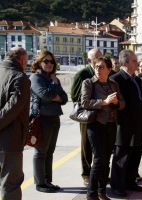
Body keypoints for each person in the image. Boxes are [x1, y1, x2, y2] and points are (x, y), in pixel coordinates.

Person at [81, 57, 125, 200]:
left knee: (106, 160)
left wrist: (117, 102)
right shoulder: (88, 83)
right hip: (96, 125)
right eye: (96, 66)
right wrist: (104, 102)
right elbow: (85, 102)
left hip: (111, 125)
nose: (98, 70)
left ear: (109, 69)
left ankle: (102, 191)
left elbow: (123, 104)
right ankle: (91, 193)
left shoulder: (113, 84)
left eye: (101, 67)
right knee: (99, 159)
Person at [109, 50, 142, 197]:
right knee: (121, 158)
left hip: (138, 124)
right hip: (123, 125)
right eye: (134, 61)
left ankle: (130, 181)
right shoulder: (116, 79)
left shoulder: (137, 79)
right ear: (125, 63)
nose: (137, 63)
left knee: (135, 155)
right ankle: (117, 186)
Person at [30, 50, 68, 193]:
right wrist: (54, 84)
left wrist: (56, 96)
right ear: (39, 63)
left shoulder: (52, 78)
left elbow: (64, 98)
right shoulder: (36, 77)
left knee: (50, 151)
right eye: (46, 61)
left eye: (52, 61)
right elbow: (45, 95)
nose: (50, 64)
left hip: (54, 118)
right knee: (40, 152)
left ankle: (47, 180)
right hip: (42, 118)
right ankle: (40, 183)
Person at [0, 47, 30, 200]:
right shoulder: (20, 78)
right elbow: (12, 108)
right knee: (11, 183)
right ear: (22, 60)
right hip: (10, 140)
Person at [70, 48, 102, 187]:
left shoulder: (105, 71)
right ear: (89, 60)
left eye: (101, 57)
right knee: (86, 145)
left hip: (102, 115)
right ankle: (86, 174)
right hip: (87, 115)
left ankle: (99, 173)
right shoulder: (83, 74)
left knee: (100, 146)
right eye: (96, 58)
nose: (100, 60)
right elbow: (75, 95)